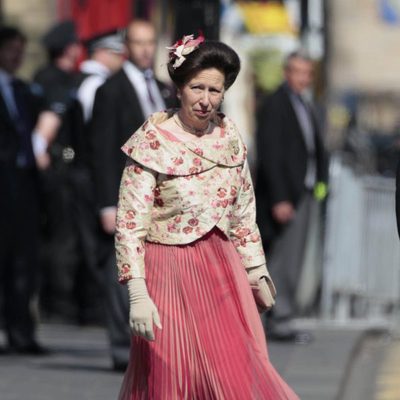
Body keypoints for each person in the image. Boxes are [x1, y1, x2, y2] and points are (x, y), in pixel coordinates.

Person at [115, 34, 299, 399]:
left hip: (220, 268)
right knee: (174, 374)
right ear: (179, 88)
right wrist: (137, 292)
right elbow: (130, 222)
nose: (205, 100)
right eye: (197, 87)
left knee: (234, 370)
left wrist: (255, 269)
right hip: (166, 270)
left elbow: (243, 213)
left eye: (215, 90)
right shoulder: (154, 140)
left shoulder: (229, 135)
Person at [90, 19, 175, 371]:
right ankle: (121, 348)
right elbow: (101, 149)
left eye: (149, 42)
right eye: (138, 43)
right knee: (121, 271)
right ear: (127, 45)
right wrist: (107, 204)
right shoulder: (110, 90)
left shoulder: (162, 88)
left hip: (159, 196)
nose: (144, 49)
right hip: (124, 193)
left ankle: (147, 347)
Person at [255, 51, 327, 341]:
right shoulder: (276, 104)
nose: (303, 78)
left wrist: (321, 183)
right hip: (287, 196)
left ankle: (281, 315)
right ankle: (278, 318)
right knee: (283, 258)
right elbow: (271, 154)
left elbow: (314, 148)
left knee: (295, 258)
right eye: (298, 72)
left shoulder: (305, 103)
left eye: (308, 73)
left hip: (306, 190)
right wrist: (280, 198)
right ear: (287, 72)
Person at [34, 20, 97, 324]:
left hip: (62, 167)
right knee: (63, 239)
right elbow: (45, 130)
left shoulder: (52, 77)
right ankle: (59, 303)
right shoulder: (55, 80)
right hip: (60, 168)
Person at [0, 26, 48, 354]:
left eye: (21, 49)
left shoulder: (24, 90)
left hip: (23, 185)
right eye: (11, 49)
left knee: (23, 263)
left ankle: (21, 332)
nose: (17, 56)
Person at [77, 31, 125, 123]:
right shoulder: (96, 83)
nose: (121, 59)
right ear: (100, 52)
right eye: (116, 53)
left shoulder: (84, 78)